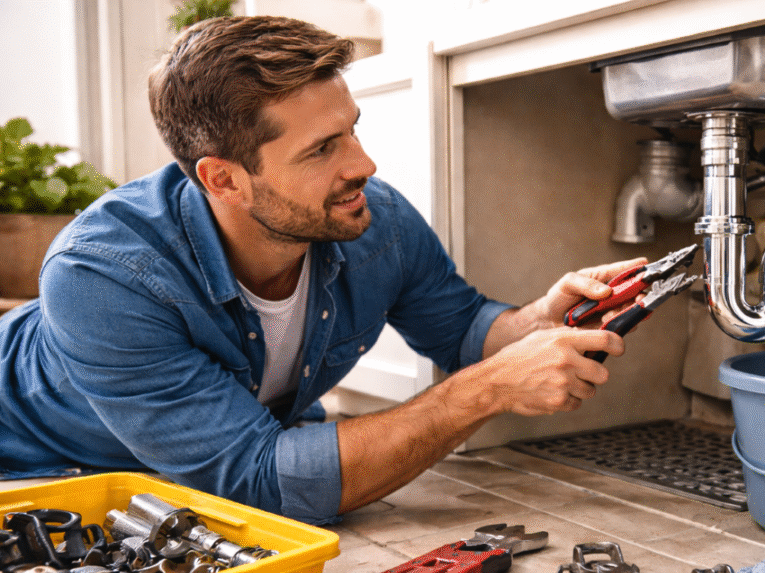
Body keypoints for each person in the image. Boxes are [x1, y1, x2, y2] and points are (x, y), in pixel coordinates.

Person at [0, 15, 641, 525]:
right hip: (33, 462)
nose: (363, 165)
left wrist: (538, 322)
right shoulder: (103, 277)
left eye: (352, 131)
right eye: (322, 149)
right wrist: (484, 390)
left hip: (176, 462)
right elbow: (261, 481)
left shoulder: (372, 218)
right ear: (223, 180)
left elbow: (462, 328)